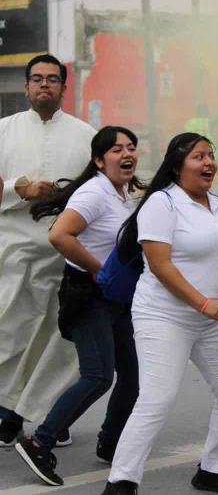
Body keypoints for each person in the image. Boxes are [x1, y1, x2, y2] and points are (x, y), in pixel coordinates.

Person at [102, 133, 218, 495]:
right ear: (178, 164)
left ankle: (212, 470)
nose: (209, 163)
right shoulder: (162, 204)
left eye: (211, 156)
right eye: (199, 156)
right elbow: (160, 265)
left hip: (215, 316)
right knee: (158, 396)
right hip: (163, 316)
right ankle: (121, 481)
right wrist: (203, 303)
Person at [15, 126, 142, 486]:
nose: (127, 154)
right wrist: (99, 270)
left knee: (132, 376)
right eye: (117, 149)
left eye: (131, 147)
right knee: (98, 375)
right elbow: (59, 234)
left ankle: (111, 441)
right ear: (100, 160)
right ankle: (40, 441)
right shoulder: (95, 193)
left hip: (115, 296)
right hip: (89, 295)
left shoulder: (120, 193)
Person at [0, 54, 95, 446]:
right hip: (12, 255)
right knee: (9, 335)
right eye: (37, 79)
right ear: (26, 87)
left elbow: (99, 192)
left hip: (63, 257)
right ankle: (6, 412)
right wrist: (18, 190)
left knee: (54, 342)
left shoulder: (87, 136)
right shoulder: (3, 131)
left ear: (63, 87)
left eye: (52, 79)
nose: (44, 85)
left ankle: (46, 417)